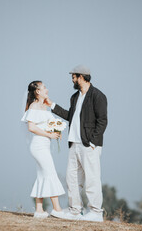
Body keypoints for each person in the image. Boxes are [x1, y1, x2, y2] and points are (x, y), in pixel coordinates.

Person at [46, 65, 108, 222]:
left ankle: (95, 212)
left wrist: (93, 142)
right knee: (71, 178)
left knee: (92, 179)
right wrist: (52, 105)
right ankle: (75, 210)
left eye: (74, 77)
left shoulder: (98, 96)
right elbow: (70, 116)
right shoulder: (74, 97)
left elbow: (102, 121)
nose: (72, 80)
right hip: (74, 144)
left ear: (82, 77)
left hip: (89, 145)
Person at [21, 81, 65, 219]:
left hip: (44, 145)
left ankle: (39, 210)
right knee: (51, 173)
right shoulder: (34, 106)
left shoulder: (43, 106)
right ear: (38, 91)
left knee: (42, 175)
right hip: (38, 146)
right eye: (44, 87)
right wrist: (49, 134)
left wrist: (55, 132)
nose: (47, 89)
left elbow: (44, 125)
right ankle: (57, 209)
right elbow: (32, 127)